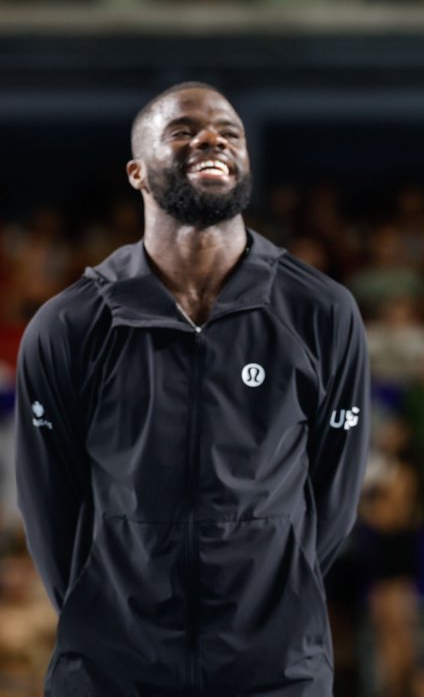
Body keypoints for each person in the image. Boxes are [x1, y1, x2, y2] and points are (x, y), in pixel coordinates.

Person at [15, 82, 370, 695]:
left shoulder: (321, 311)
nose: (211, 138)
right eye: (182, 131)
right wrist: (109, 612)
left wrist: (271, 593)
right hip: (111, 667)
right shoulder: (68, 324)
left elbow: (331, 501)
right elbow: (50, 507)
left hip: (275, 666)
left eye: (229, 132)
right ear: (136, 173)